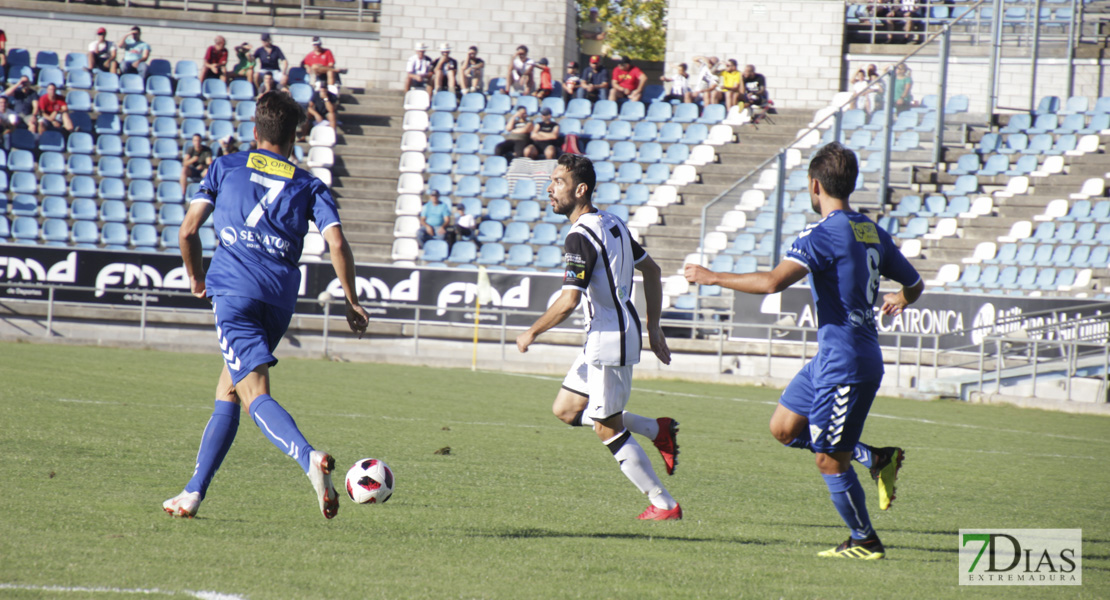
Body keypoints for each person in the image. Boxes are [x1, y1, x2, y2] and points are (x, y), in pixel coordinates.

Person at [684, 142, 923, 558]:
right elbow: (916, 284)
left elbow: (773, 282)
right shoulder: (871, 230)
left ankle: (864, 540)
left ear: (815, 185)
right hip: (831, 358)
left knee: (830, 461)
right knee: (784, 428)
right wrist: (902, 298)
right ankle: (876, 457)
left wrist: (712, 277)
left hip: (847, 362)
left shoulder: (822, 233)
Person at [163, 91, 369, 520]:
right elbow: (336, 242)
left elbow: (187, 231)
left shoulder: (224, 166)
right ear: (295, 138)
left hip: (233, 294)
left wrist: (196, 276)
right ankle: (192, 492)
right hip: (277, 299)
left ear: (255, 132)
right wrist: (351, 300)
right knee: (230, 389)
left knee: (253, 391)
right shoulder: (311, 184)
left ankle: (308, 457)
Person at [517, 154, 681, 521]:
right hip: (604, 336)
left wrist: (532, 331)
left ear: (581, 189)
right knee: (566, 410)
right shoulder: (611, 221)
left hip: (610, 339)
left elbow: (568, 300)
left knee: (607, 428)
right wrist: (653, 327)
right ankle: (658, 430)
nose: (549, 188)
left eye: (558, 182)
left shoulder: (579, 235)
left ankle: (664, 504)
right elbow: (651, 271)